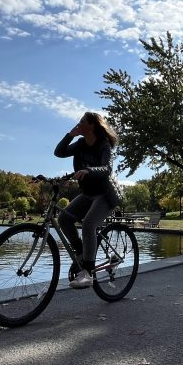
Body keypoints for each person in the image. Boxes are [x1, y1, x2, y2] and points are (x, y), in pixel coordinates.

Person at [54, 112, 123, 289]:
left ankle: (87, 273)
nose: (78, 124)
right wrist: (70, 135)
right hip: (88, 194)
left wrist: (89, 170)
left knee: (88, 224)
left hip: (105, 195)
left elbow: (107, 168)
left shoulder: (104, 145)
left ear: (92, 125)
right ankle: (80, 252)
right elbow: (59, 152)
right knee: (64, 219)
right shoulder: (80, 144)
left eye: (82, 122)